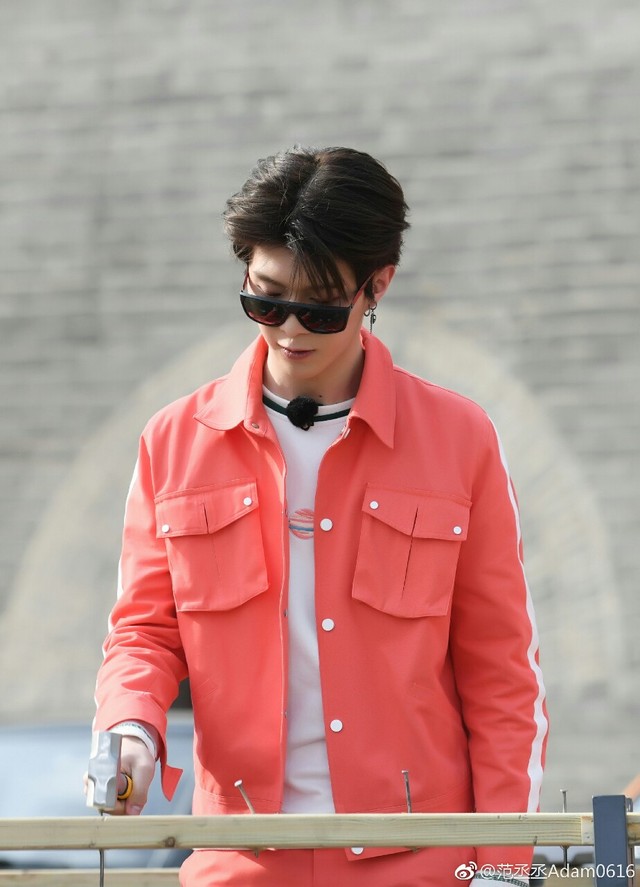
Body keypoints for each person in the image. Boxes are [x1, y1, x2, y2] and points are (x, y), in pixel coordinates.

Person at [91, 146, 548, 886]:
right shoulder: (173, 442)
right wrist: (130, 728)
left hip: (424, 864)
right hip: (240, 859)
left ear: (378, 285)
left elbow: (504, 679)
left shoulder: (460, 439)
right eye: (266, 301)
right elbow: (144, 631)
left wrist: (504, 870)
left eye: (321, 308)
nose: (290, 330)